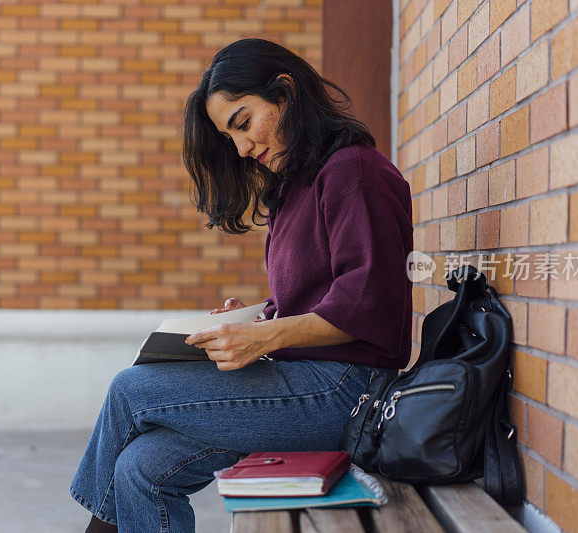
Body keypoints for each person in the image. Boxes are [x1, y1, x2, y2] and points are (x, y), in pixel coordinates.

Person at [70, 38, 413, 533]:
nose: (243, 148)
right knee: (140, 468)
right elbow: (316, 293)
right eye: (230, 137)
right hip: (301, 383)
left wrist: (265, 338)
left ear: (285, 92)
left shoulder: (354, 171)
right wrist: (255, 316)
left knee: (131, 389)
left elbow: (370, 302)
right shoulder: (296, 185)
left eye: (243, 123)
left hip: (346, 392)